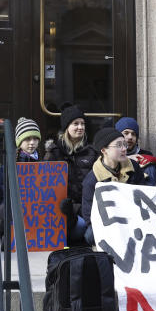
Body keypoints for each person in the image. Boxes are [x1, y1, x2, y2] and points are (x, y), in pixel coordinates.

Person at [81, 127, 156, 245]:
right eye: (118, 145)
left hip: (132, 218)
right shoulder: (92, 180)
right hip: (108, 224)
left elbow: (143, 196)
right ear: (104, 150)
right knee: (90, 235)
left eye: (124, 145)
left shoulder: (133, 167)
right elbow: (88, 217)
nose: (124, 149)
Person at [42, 104, 97, 244]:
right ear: (66, 127)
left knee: (85, 227)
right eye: (75, 123)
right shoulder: (54, 153)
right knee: (79, 226)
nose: (80, 127)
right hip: (62, 211)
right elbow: (46, 188)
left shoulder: (92, 152)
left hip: (87, 209)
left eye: (83, 124)